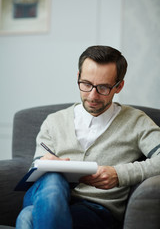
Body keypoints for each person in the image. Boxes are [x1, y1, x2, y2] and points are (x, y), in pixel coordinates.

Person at [16, 46, 160, 229]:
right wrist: (44, 163)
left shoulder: (136, 121)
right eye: (86, 84)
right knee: (53, 179)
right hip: (44, 195)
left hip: (96, 210)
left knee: (28, 217)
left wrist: (120, 174)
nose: (92, 95)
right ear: (77, 77)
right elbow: (34, 169)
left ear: (119, 86)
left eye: (103, 87)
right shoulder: (53, 121)